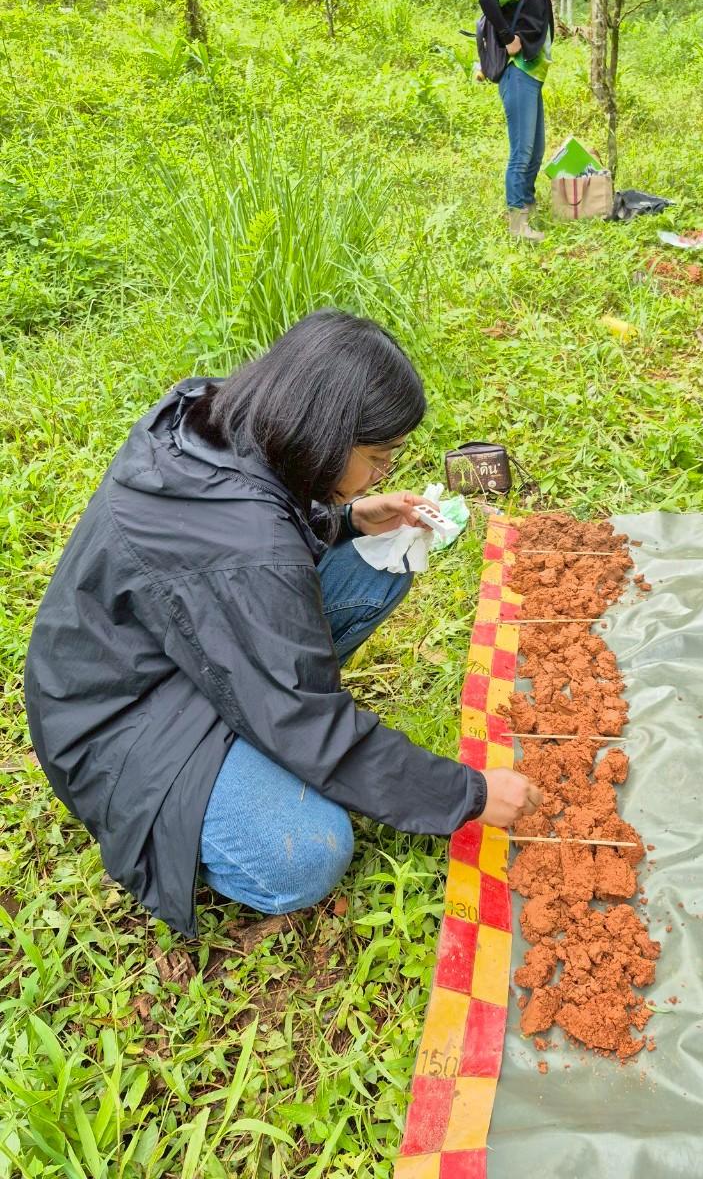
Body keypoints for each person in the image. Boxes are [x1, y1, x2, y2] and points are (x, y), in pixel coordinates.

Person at [24, 310, 541, 936]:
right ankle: (204, 811)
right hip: (117, 727)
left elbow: (254, 531)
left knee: (379, 564)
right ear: (324, 432)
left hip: (177, 650)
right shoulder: (247, 549)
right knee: (308, 854)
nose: (383, 474)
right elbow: (302, 716)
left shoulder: (216, 410)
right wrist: (470, 796)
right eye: (377, 458)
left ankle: (248, 741)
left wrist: (346, 519)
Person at [479, 0, 568, 242]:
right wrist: (507, 38)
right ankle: (517, 223)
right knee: (522, 151)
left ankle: (527, 207)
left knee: (536, 149)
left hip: (533, 74)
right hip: (518, 74)